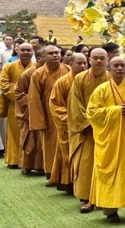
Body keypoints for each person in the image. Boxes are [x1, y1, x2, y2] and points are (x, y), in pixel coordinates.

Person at [86, 56, 125, 223]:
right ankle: (110, 210)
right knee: (109, 171)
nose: (120, 69)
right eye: (116, 66)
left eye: (122, 66)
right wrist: (116, 111)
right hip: (109, 139)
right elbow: (92, 112)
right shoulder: (101, 90)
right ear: (109, 69)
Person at [69, 48, 110, 211]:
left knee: (107, 164)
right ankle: (87, 197)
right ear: (89, 60)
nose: (98, 61)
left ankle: (105, 199)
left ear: (107, 60)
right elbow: (75, 105)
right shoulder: (80, 78)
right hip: (87, 130)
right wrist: (89, 124)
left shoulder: (111, 78)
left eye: (102, 58)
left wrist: (105, 123)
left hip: (108, 129)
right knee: (87, 163)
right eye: (95, 58)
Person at [29, 45, 70, 187]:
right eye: (51, 53)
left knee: (66, 145)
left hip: (66, 113)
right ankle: (51, 174)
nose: (55, 55)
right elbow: (34, 98)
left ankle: (66, 175)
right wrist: (39, 121)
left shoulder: (68, 70)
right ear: (44, 57)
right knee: (50, 146)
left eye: (57, 53)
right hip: (48, 115)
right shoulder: (38, 74)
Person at [50, 52, 86, 193]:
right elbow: (55, 105)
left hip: (87, 126)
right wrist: (72, 121)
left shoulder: (89, 80)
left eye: (85, 63)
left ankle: (83, 185)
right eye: (79, 63)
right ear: (70, 64)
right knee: (67, 154)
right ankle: (67, 183)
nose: (83, 66)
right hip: (69, 126)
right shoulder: (62, 82)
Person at [0, 42, 34, 169]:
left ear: (33, 52)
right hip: (14, 105)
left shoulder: (36, 67)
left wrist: (31, 97)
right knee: (14, 131)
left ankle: (30, 162)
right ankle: (14, 160)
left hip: (33, 106)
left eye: (28, 50)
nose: (26, 52)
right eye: (23, 50)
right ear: (17, 51)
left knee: (31, 133)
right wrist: (21, 96)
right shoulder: (9, 67)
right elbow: (4, 85)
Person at [16, 48, 47, 174]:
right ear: (39, 58)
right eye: (47, 56)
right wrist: (32, 102)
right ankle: (27, 165)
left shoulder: (52, 72)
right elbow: (18, 93)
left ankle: (42, 166)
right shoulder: (27, 74)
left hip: (46, 111)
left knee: (43, 140)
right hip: (31, 111)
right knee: (29, 138)